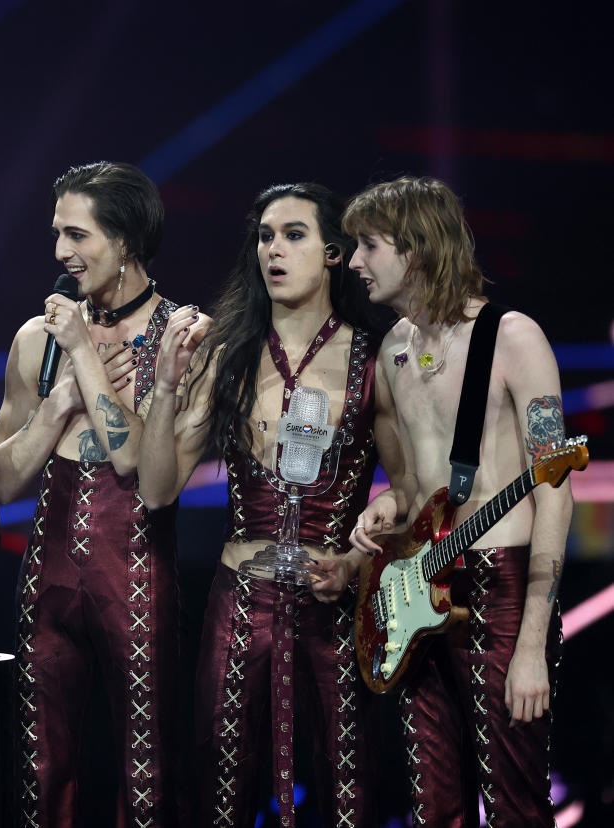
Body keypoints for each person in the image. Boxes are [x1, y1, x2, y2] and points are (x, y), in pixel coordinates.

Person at [139, 183, 401, 828]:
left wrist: (366, 546)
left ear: (335, 252)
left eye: (293, 235)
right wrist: (168, 383)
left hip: (334, 603)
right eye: (263, 236)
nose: (273, 251)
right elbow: (156, 489)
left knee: (350, 794)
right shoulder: (228, 354)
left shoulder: (378, 357)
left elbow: (417, 489)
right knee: (220, 791)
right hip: (241, 602)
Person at [312, 176, 570, 827]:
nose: (356, 261)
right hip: (419, 593)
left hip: (500, 585)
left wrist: (533, 642)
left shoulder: (513, 337)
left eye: (369, 244)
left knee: (515, 804)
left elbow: (555, 492)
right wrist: (382, 512)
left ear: (419, 247)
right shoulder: (395, 349)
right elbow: (415, 490)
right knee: (433, 806)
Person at [0, 161, 182, 828]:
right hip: (47, 576)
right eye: (56, 235)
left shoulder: (183, 337)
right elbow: (1, 481)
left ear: (124, 239)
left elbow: (138, 469)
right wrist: (57, 404)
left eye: (77, 235)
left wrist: (85, 359)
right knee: (43, 763)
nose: (60, 253)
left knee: (146, 763)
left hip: (136, 571)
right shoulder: (37, 339)